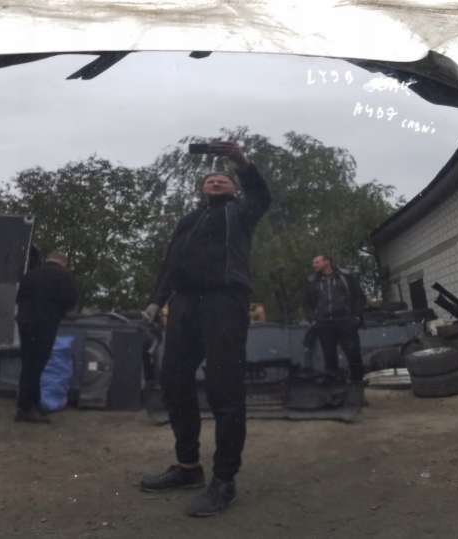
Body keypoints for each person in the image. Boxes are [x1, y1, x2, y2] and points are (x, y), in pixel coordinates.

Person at [140, 142, 271, 517]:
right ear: (201, 189)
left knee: (223, 387)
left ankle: (224, 480)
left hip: (224, 301)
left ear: (233, 189)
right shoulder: (189, 220)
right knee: (173, 381)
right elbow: (171, 263)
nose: (215, 181)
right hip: (183, 304)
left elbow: (261, 195)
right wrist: (156, 300)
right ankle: (188, 467)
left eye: (222, 179)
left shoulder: (241, 212)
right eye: (210, 179)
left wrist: (241, 161)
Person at [15, 251, 78, 423]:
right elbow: (70, 301)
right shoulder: (64, 276)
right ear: (63, 263)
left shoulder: (31, 274)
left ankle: (33, 404)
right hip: (45, 325)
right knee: (36, 367)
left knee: (28, 365)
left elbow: (19, 298)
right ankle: (26, 409)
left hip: (25, 324)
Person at [303, 255, 366, 385]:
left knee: (353, 353)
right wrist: (313, 319)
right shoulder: (312, 281)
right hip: (324, 323)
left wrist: (356, 316)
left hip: (345, 321)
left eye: (317, 262)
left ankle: (358, 383)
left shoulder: (345, 277)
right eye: (313, 263)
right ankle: (334, 386)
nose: (314, 265)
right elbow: (307, 303)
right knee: (329, 357)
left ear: (327, 262)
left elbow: (359, 296)